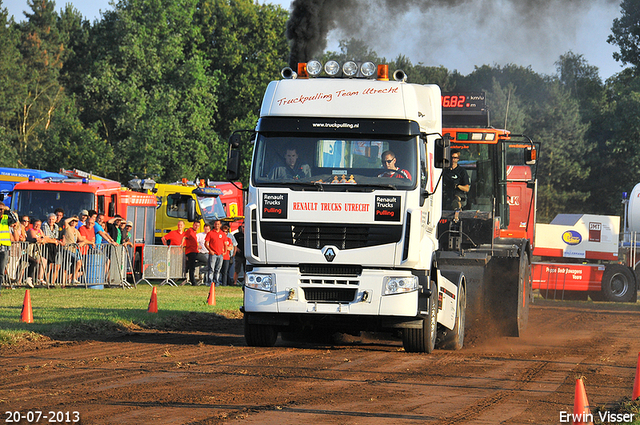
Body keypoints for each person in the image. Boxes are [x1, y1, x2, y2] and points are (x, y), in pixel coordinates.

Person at [204, 220, 226, 286]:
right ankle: (210, 282)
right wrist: (210, 250)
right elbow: (206, 243)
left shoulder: (222, 233)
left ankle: (217, 282)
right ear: (214, 225)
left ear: (220, 225)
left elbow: (225, 243)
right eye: (216, 224)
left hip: (220, 254)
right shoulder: (210, 233)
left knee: (218, 269)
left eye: (218, 224)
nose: (217, 225)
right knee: (211, 269)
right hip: (213, 254)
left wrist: (225, 251)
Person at [0, 202, 17, 287]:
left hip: (4, 248)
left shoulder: (6, 219)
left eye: (1, 209)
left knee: (1, 272)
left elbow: (14, 220)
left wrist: (9, 210)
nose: (0, 211)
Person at [184, 221, 206, 285]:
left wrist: (197, 246)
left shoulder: (195, 232)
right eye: (195, 225)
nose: (197, 227)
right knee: (192, 268)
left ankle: (189, 266)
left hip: (195, 251)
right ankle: (193, 282)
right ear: (193, 225)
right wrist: (181, 244)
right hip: (190, 251)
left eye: (198, 226)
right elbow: (184, 237)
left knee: (205, 261)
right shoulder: (189, 231)